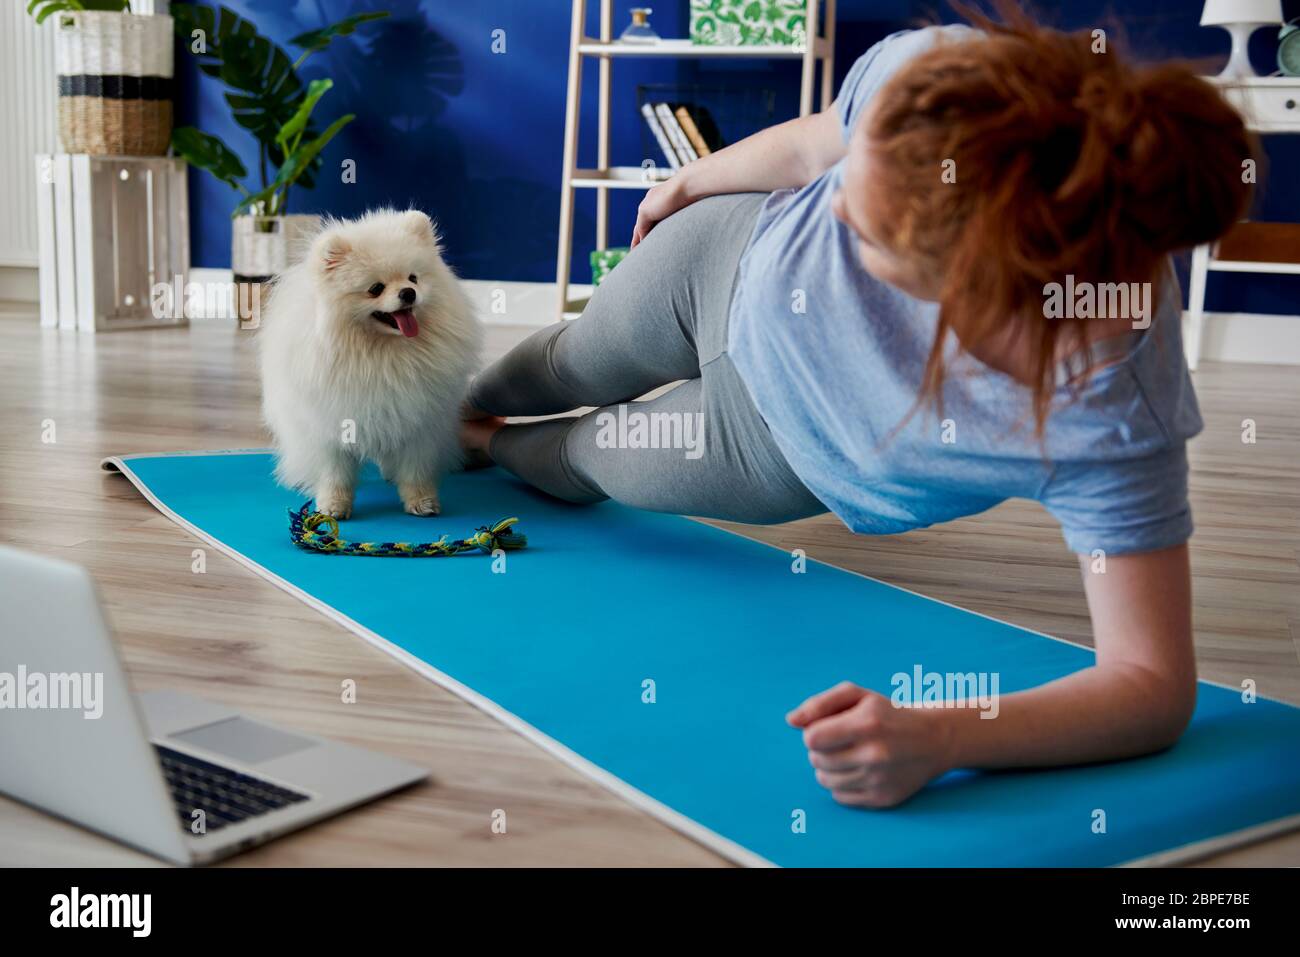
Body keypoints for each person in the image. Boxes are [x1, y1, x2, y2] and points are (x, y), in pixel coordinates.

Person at [462, 3, 1255, 807]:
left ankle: (486, 442)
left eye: (866, 234)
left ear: (969, 297)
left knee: (582, 456)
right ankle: (454, 411)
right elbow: (816, 144)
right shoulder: (946, 81)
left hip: (774, 452)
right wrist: (689, 181)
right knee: (568, 358)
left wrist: (942, 735)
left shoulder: (1111, 416)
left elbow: (1151, 684)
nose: (835, 208)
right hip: (728, 257)